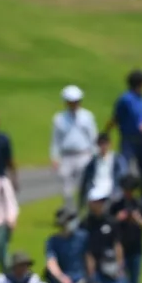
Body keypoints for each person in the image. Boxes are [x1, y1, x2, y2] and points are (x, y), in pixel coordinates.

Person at [49, 86, 97, 215]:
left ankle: (85, 212)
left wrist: (95, 155)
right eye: (71, 101)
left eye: (76, 101)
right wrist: (54, 157)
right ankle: (70, 212)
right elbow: (55, 140)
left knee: (84, 185)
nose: (74, 104)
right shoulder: (59, 118)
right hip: (66, 156)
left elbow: (93, 137)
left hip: (84, 154)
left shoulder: (87, 116)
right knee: (66, 189)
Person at [107, 71, 142, 198]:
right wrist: (107, 132)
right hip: (128, 140)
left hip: (141, 139)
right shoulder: (125, 99)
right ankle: (121, 197)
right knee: (124, 169)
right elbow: (116, 117)